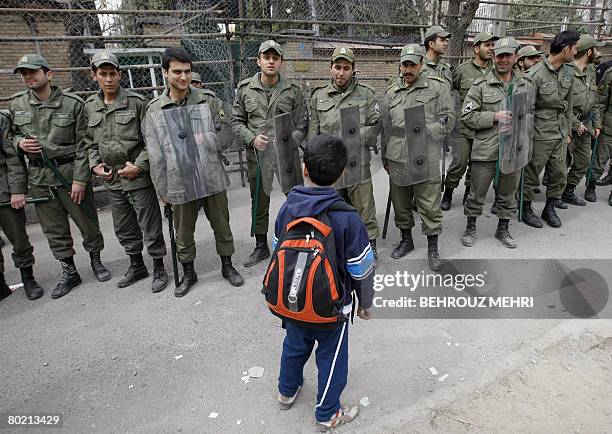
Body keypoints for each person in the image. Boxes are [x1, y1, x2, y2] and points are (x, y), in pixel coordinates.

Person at [274, 134, 374, 432]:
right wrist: (365, 304)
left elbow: (278, 248)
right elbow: (361, 269)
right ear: (342, 173)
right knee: (331, 358)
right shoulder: (348, 218)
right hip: (332, 307)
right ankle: (327, 414)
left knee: (293, 345)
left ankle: (286, 391)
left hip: (292, 300)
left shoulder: (288, 207)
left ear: (304, 168)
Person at [9, 54, 110, 299]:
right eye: (24, 73)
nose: (28, 77)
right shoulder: (17, 104)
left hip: (69, 174)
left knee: (87, 223)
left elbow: (85, 144)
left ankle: (96, 261)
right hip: (39, 177)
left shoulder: (72, 104)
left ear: (49, 74)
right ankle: (69, 271)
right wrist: (19, 142)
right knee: (54, 230)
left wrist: (80, 179)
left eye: (33, 71)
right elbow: (11, 136)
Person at [146, 47, 243, 297]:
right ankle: (189, 271)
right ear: (165, 73)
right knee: (183, 230)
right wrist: (162, 189)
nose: (183, 77)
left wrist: (206, 137)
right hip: (179, 179)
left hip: (211, 174)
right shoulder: (155, 109)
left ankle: (227, 265)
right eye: (177, 71)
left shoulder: (208, 100)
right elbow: (155, 154)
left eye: (187, 71)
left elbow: (227, 130)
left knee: (222, 224)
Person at [85, 51, 169, 292]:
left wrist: (140, 165)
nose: (109, 79)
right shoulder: (90, 106)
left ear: (120, 75)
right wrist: (95, 165)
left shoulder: (137, 102)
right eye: (103, 74)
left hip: (136, 176)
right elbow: (89, 142)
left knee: (149, 224)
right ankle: (137, 265)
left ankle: (159, 267)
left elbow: (150, 140)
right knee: (124, 226)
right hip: (112, 179)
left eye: (113, 73)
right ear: (94, 76)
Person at [232, 40, 307, 267]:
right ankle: (261, 245)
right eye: (267, 57)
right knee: (259, 202)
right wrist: (252, 139)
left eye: (275, 58)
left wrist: (288, 142)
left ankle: (301, 239)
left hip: (286, 157)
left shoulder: (292, 91)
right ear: (259, 61)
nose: (271, 61)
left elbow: (302, 123)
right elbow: (236, 122)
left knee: (296, 197)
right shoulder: (245, 89)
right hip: (258, 156)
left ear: (281, 62)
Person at [383, 44, 454, 271]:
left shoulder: (438, 87)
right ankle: (407, 239)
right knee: (401, 204)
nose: (408, 69)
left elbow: (449, 120)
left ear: (421, 64)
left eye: (412, 64)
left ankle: (433, 248)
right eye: (404, 64)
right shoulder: (392, 90)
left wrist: (426, 129)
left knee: (429, 204)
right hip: (398, 156)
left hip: (426, 154)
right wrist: (386, 156)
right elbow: (385, 125)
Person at [307, 46, 380, 263]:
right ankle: (337, 247)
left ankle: (370, 246)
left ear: (353, 70)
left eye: (346, 68)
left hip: (357, 161)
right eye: (337, 67)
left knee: (364, 207)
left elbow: (375, 126)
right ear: (330, 68)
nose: (341, 72)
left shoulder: (366, 95)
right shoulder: (318, 96)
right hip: (331, 166)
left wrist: (355, 137)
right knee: (333, 208)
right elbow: (314, 133)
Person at [461, 37, 534, 249]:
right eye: (499, 55)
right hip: (486, 148)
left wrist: (520, 123)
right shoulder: (480, 85)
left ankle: (503, 229)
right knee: (477, 192)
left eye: (507, 55)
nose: (503, 60)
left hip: (514, 148)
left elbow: (531, 114)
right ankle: (471, 226)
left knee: (508, 192)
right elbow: (467, 116)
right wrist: (494, 116)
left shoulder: (526, 84)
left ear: (515, 57)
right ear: (494, 57)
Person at [522, 30, 580, 228]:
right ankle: (526, 208)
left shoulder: (569, 72)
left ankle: (550, 208)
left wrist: (569, 132)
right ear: (566, 49)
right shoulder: (535, 75)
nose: (576, 52)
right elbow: (526, 110)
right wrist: (526, 138)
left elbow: (569, 105)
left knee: (559, 173)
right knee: (532, 173)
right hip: (539, 133)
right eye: (575, 48)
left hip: (561, 132)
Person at [442, 31, 499, 211]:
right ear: (476, 49)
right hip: (463, 126)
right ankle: (448, 193)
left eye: (492, 45)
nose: (491, 49)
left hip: (486, 127)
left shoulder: (496, 71)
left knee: (477, 165)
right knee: (459, 163)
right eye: (487, 45)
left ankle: (469, 193)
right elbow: (452, 93)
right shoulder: (462, 70)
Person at [0, 110, 44, 301]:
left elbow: (12, 156)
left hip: (4, 191)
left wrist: (17, 190)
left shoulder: (1, 119)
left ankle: (28, 278)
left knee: (18, 239)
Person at [563, 35, 604, 205]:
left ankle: (568, 191)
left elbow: (594, 100)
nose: (598, 52)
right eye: (595, 48)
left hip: (586, 126)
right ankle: (553, 196)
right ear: (589, 51)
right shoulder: (566, 71)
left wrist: (596, 124)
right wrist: (575, 124)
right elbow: (561, 103)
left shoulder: (591, 71)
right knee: (558, 166)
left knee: (583, 163)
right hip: (569, 125)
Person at [594, 57, 612, 206]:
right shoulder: (610, 73)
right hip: (609, 127)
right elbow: (601, 102)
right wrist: (598, 124)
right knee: (599, 161)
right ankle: (590, 186)